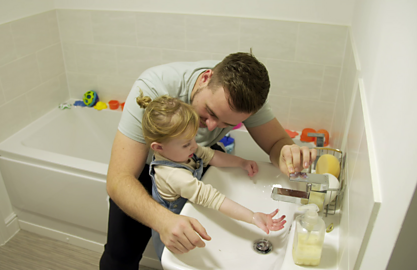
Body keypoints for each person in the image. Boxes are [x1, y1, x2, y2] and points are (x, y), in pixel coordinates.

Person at [99, 52, 317, 269]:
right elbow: (118, 180)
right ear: (205, 78)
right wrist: (163, 221)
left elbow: (277, 143)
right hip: (144, 173)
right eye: (209, 112)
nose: (212, 126)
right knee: (119, 258)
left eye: (226, 123)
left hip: (195, 157)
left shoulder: (244, 97)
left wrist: (290, 156)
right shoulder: (153, 88)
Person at [136, 91, 287, 259]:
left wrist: (241, 163)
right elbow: (212, 198)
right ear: (158, 148)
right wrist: (252, 217)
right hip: (175, 236)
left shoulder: (181, 150)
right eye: (187, 144)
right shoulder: (173, 175)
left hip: (190, 215)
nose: (194, 146)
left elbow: (210, 155)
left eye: (193, 139)